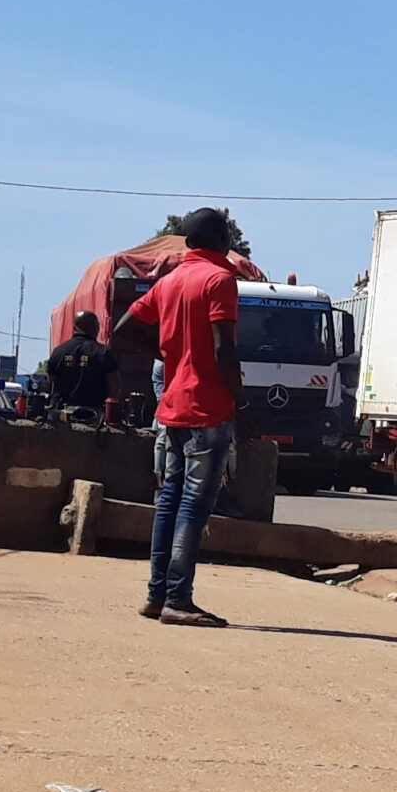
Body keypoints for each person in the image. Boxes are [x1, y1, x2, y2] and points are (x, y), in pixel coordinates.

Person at [126, 208, 243, 626]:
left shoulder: (169, 281)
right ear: (218, 239)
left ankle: (157, 595)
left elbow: (124, 326)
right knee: (193, 506)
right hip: (207, 407)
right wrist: (241, 402)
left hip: (172, 408)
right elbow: (224, 349)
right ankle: (179, 599)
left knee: (169, 501)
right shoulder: (220, 280)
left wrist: (163, 351)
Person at [46, 310, 117, 420]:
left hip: (63, 416)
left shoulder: (58, 352)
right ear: (95, 328)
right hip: (94, 417)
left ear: (74, 328)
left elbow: (51, 385)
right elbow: (114, 388)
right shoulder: (104, 353)